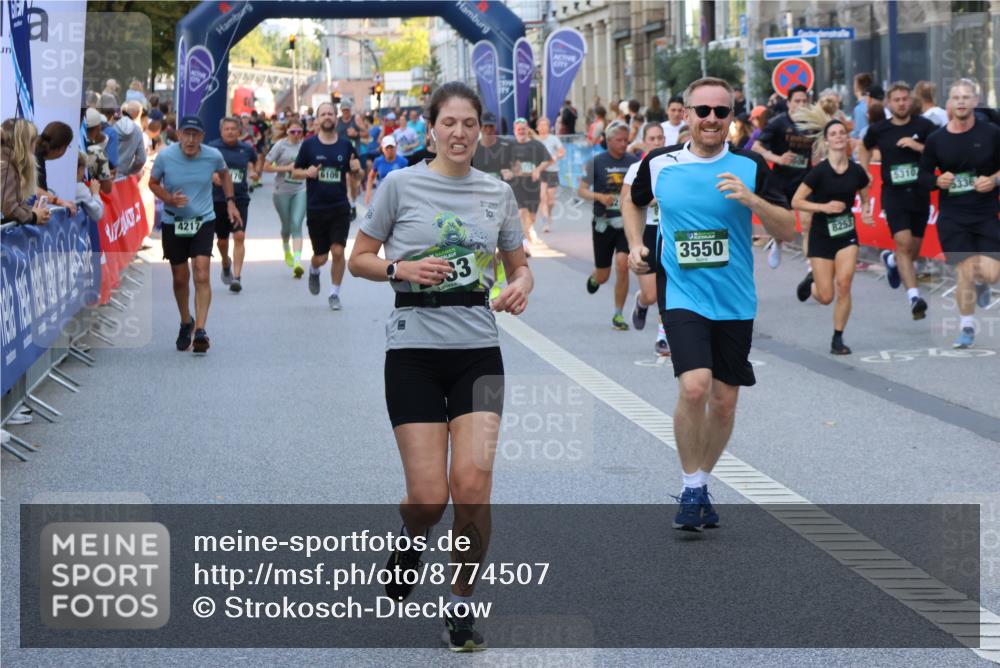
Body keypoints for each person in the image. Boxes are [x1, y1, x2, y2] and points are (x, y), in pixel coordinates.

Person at [347, 81, 532, 653]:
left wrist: (522, 283)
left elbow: (518, 266)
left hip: (478, 350)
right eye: (448, 123)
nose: (458, 133)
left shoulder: (496, 192)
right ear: (431, 128)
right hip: (414, 354)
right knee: (429, 497)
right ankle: (411, 537)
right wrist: (400, 269)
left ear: (481, 131)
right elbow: (359, 259)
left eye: (468, 124)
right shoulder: (401, 185)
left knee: (472, 488)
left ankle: (459, 604)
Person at [623, 77, 795, 532]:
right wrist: (637, 244)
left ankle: (701, 480)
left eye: (721, 112)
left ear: (732, 118)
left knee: (724, 403)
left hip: (736, 300)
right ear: (687, 114)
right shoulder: (660, 163)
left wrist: (753, 199)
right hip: (682, 294)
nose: (712, 119)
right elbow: (632, 200)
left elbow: (791, 229)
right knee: (695, 387)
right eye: (703, 111)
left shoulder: (751, 165)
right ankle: (691, 486)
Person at [918, 79, 1000, 349]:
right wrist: (937, 181)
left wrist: (995, 180)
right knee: (964, 270)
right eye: (956, 97)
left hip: (986, 212)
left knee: (991, 273)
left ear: (976, 101)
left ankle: (982, 284)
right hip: (953, 216)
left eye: (967, 97)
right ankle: (966, 327)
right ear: (949, 103)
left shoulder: (991, 133)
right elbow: (923, 175)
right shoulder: (936, 139)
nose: (961, 102)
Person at [148, 115, 240, 354]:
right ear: (178, 135)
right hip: (174, 221)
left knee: (201, 272)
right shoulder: (166, 156)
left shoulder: (213, 155)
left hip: (203, 221)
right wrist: (168, 198)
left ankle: (200, 330)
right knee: (180, 278)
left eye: (195, 135)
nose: (190, 139)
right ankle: (185, 321)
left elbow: (225, 174)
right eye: (186, 134)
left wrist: (230, 201)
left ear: (202, 137)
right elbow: (153, 182)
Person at [792, 120, 874, 354]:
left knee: (845, 284)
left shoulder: (856, 170)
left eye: (842, 133)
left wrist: (866, 209)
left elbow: (865, 192)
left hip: (846, 232)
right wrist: (824, 207)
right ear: (827, 141)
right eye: (834, 134)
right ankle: (813, 283)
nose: (839, 137)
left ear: (847, 138)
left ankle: (837, 338)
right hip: (821, 235)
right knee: (826, 296)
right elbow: (796, 201)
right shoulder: (819, 172)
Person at [857, 82, 937, 319]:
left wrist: (917, 145)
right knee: (903, 243)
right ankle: (914, 297)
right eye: (897, 100)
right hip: (894, 195)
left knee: (914, 249)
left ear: (911, 101)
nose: (902, 103)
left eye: (905, 99)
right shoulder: (880, 129)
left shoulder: (925, 126)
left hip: (920, 193)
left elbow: (939, 150)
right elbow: (863, 147)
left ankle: (890, 260)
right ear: (889, 104)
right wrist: (864, 171)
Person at [292, 101, 363, 310]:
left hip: (340, 206)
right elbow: (295, 171)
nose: (327, 117)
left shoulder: (345, 146)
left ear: (336, 117)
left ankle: (334, 293)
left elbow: (357, 175)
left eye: (331, 114)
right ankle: (314, 270)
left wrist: (357, 170)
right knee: (321, 257)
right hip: (316, 208)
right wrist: (307, 173)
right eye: (323, 114)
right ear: (318, 119)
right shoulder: (309, 145)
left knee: (338, 252)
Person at [580, 120, 638, 330]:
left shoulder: (633, 162)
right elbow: (582, 190)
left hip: (626, 222)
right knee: (604, 275)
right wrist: (599, 197)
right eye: (619, 140)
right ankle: (596, 277)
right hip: (603, 224)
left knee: (623, 265)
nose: (624, 143)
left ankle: (618, 314)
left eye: (626, 140)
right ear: (609, 140)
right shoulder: (596, 161)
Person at [753, 85, 815, 268]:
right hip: (782, 180)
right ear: (789, 103)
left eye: (804, 101)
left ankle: (810, 263)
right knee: (783, 225)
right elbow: (757, 147)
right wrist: (778, 159)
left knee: (807, 223)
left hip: (806, 179)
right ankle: (777, 243)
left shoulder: (812, 123)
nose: (801, 104)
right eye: (797, 101)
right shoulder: (778, 123)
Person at [621, 122, 670, 354]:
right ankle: (641, 302)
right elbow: (627, 202)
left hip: (669, 229)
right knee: (651, 294)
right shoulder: (636, 169)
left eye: (661, 138)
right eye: (652, 138)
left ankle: (663, 337)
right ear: (644, 142)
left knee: (667, 287)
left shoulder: (673, 165)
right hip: (647, 230)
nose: (658, 142)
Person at [208, 116, 258, 293]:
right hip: (218, 199)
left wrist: (254, 172)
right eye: (226, 129)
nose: (230, 132)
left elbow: (256, 160)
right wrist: (211, 176)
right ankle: (225, 262)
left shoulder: (246, 149)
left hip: (240, 198)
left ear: (239, 131)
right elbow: (202, 167)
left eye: (233, 129)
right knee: (222, 240)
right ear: (221, 131)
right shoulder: (212, 148)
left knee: (239, 236)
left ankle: (237, 277)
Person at [264, 117, 307, 278]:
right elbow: (266, 166)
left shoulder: (305, 146)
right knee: (286, 226)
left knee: (297, 223)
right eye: (292, 131)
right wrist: (286, 167)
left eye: (299, 131)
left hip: (300, 189)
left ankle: (297, 262)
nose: (296, 134)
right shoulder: (280, 145)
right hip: (281, 190)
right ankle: (285, 247)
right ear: (287, 131)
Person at [508, 117, 553, 252]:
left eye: (523, 129)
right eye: (518, 129)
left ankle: (529, 229)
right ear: (514, 130)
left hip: (533, 184)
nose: (521, 131)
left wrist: (538, 170)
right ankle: (523, 241)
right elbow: (502, 164)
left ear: (527, 129)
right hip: (516, 184)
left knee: (532, 216)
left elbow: (548, 160)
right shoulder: (509, 146)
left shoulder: (536, 145)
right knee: (522, 211)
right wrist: (510, 170)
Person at [1, 118, 51, 226]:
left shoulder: (8, 164)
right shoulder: (6, 167)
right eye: (33, 141)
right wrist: (33, 217)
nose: (35, 147)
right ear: (24, 144)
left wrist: (31, 212)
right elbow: (9, 209)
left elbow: (13, 204)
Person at [33, 121, 77, 214]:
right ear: (62, 148)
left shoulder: (35, 155)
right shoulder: (36, 160)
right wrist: (60, 202)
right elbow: (34, 191)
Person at [534, 116, 564, 233]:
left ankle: (549, 213)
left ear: (548, 127)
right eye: (541, 125)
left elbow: (562, 151)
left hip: (552, 171)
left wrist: (556, 156)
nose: (543, 127)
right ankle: (545, 222)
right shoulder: (535, 140)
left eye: (545, 125)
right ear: (537, 127)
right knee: (543, 197)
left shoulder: (553, 139)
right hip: (541, 171)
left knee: (551, 200)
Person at [365, 134, 407, 205]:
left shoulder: (403, 162)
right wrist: (368, 193)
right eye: (387, 147)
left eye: (391, 147)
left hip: (398, 197)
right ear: (382, 148)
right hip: (382, 196)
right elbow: (371, 176)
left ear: (395, 147)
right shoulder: (378, 161)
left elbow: (408, 180)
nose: (389, 150)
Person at [115, 100, 147, 177]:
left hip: (106, 176)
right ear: (139, 114)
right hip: (123, 176)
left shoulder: (113, 125)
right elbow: (141, 159)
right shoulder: (137, 131)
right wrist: (130, 171)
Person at [75, 152, 104, 222]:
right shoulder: (79, 188)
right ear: (80, 169)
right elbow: (97, 214)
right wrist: (95, 193)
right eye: (84, 169)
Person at [851, 73, 873, 141]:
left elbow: (859, 133)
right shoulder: (873, 103)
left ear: (856, 87)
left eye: (854, 84)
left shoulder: (859, 109)